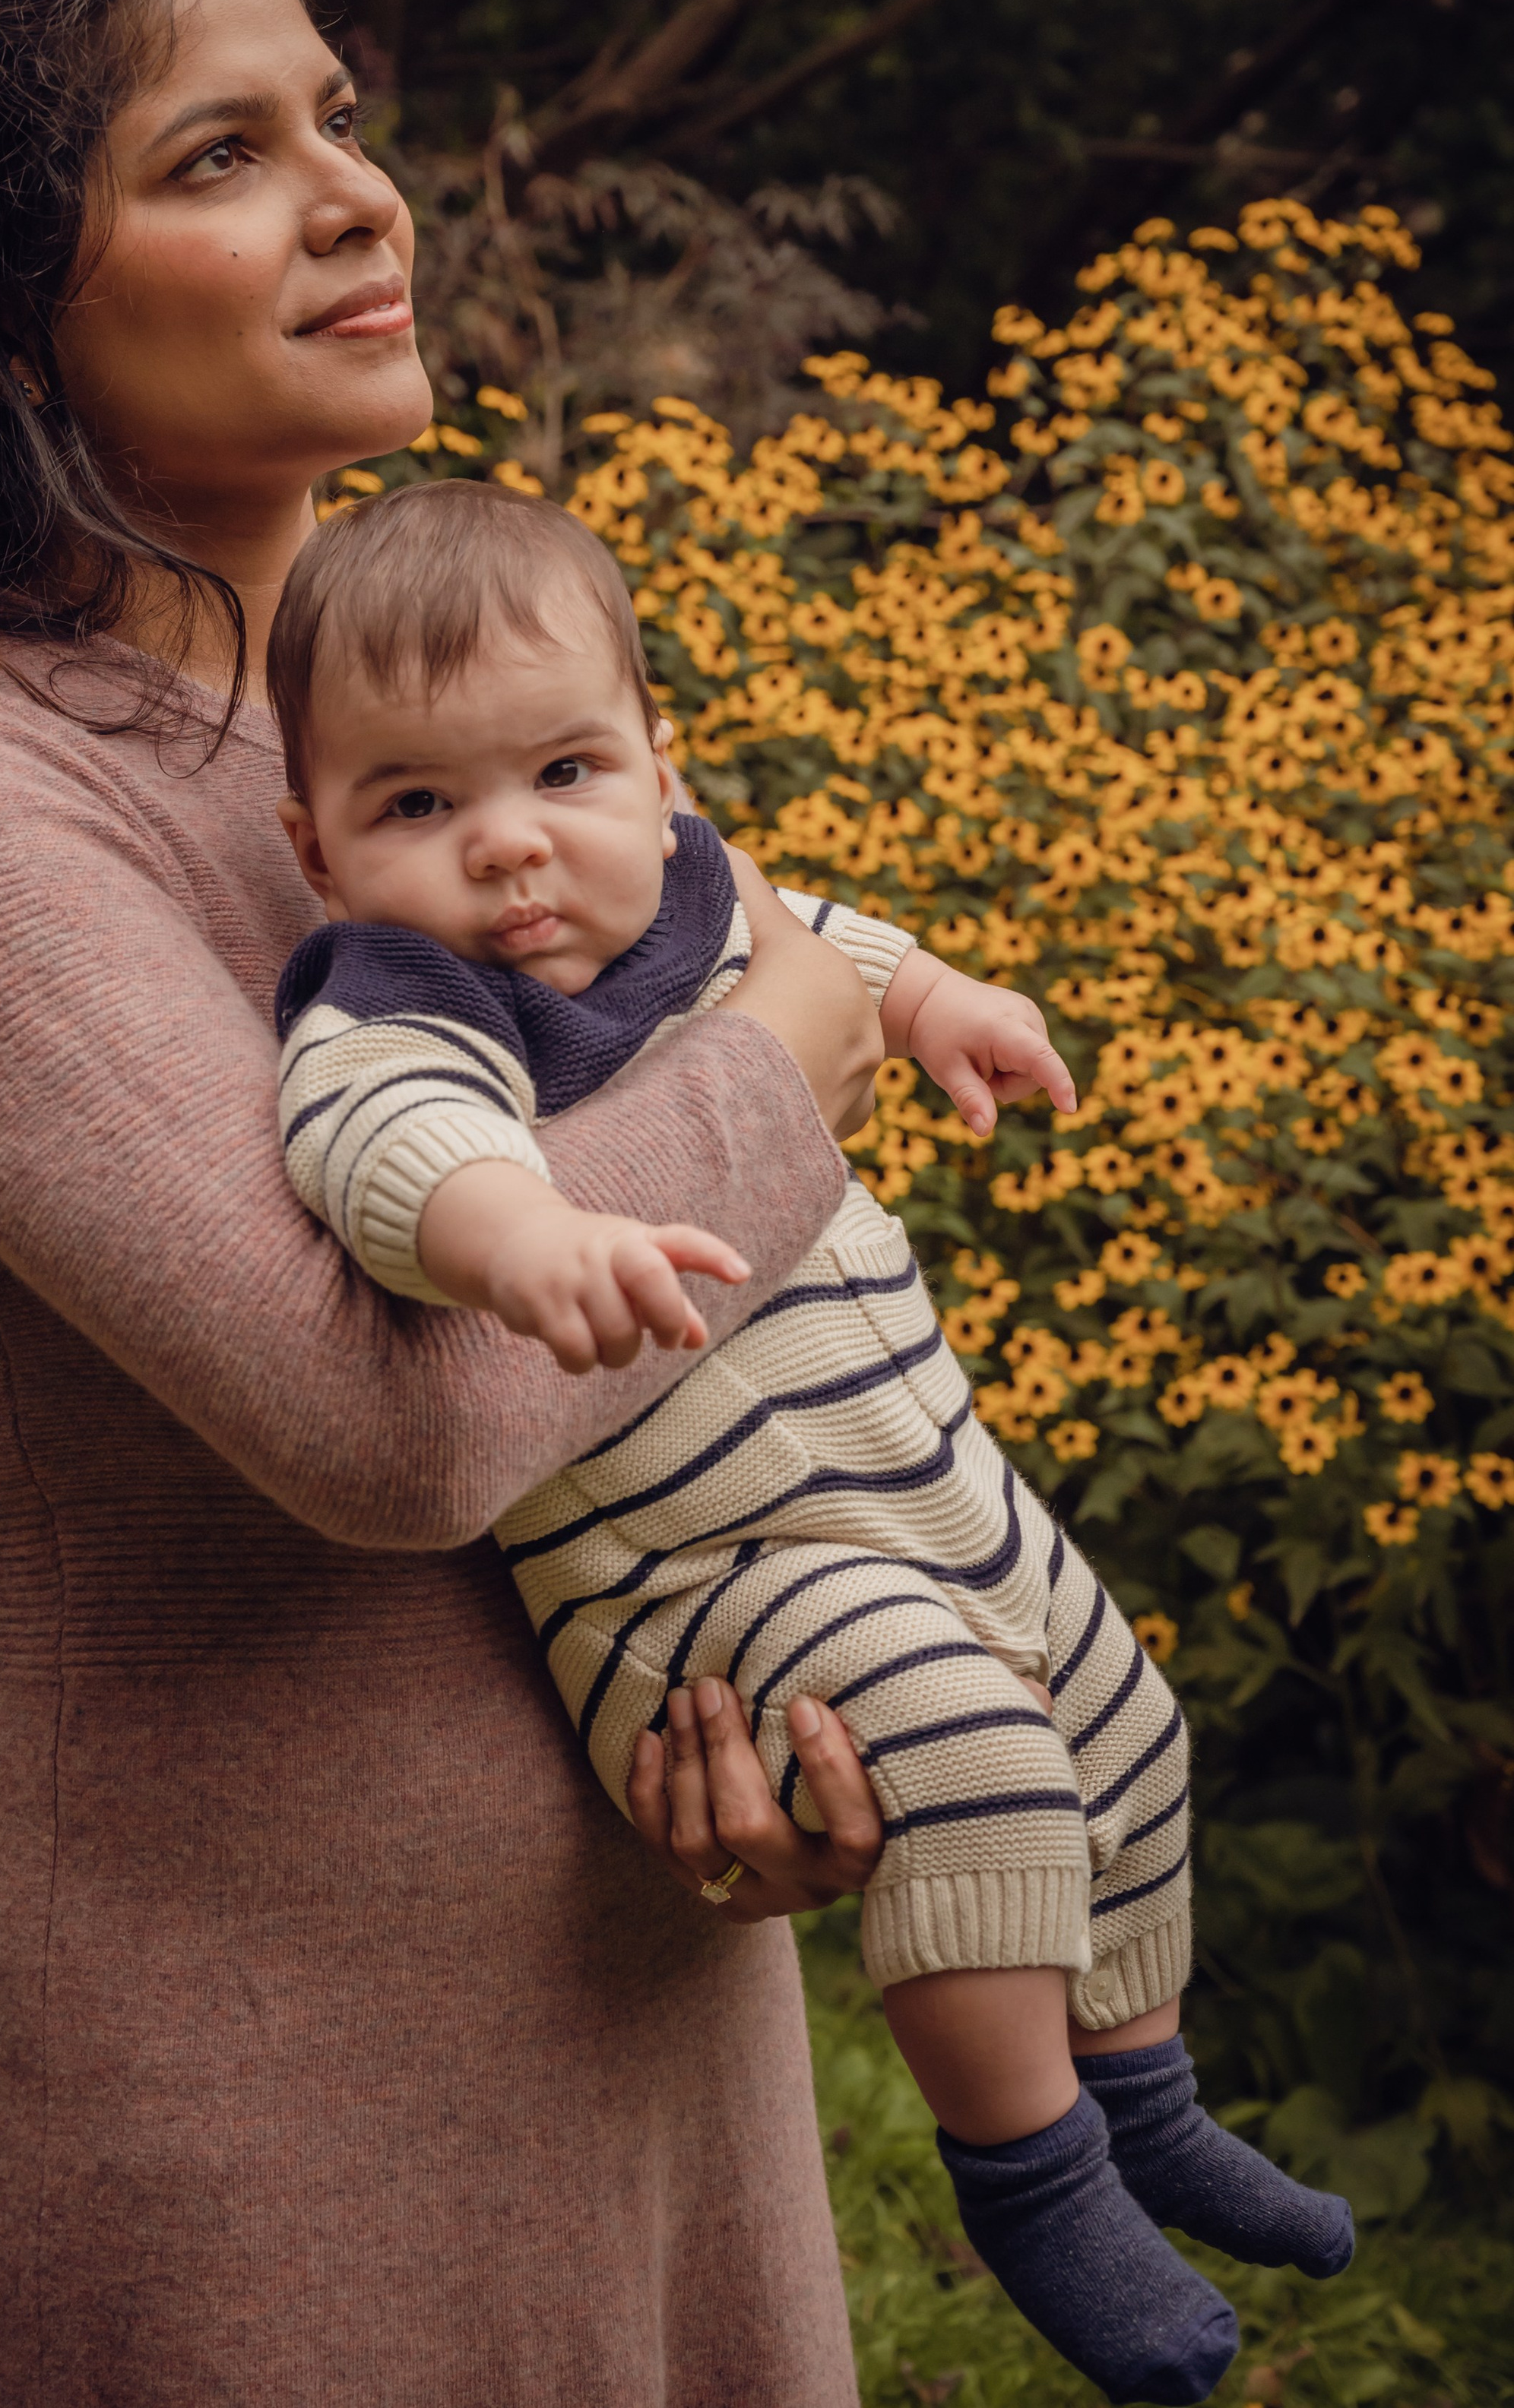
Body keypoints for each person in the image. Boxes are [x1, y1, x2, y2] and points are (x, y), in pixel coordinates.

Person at [0, 0, 925, 2408]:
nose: (360, 192)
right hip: (252, 2024)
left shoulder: (416, 733)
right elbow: (396, 1411)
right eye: (215, 152)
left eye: (333, 114)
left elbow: (676, 1346)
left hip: (646, 1921)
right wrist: (798, 1042)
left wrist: (807, 1706)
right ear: (10, 313)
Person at [267, 479, 1357, 2406]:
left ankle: (1145, 2093)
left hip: (916, 1475)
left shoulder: (688, 889)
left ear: (655, 761)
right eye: (415, 807)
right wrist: (522, 1231)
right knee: (970, 1749)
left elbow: (831, 949)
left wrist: (936, 998)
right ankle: (1027, 2179)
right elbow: (373, 1145)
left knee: (1124, 1721)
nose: (511, 847)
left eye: (564, 771)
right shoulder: (405, 999)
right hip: (700, 1589)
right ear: (315, 843)